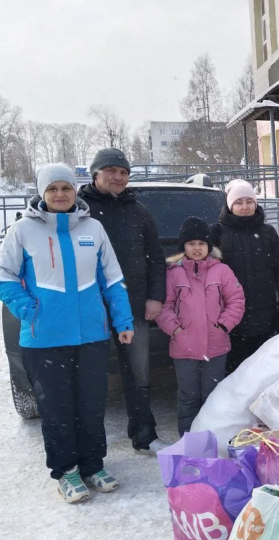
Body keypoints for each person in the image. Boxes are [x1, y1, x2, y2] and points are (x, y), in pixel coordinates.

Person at [0, 164, 135, 503]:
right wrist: (30, 310)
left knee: (90, 405)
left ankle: (92, 464)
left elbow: (112, 279)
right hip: (44, 339)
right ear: (42, 193)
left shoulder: (93, 229)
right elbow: (4, 276)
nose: (60, 194)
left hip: (91, 337)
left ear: (76, 191)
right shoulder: (24, 231)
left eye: (66, 188)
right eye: (53, 188)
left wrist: (123, 322)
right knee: (56, 409)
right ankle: (66, 471)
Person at [78, 148, 169, 455]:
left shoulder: (139, 211)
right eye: (111, 171)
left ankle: (144, 435)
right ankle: (87, 446)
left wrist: (156, 297)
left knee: (138, 373)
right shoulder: (79, 209)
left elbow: (156, 258)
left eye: (123, 172)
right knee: (90, 377)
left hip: (132, 307)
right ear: (95, 174)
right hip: (90, 309)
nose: (117, 177)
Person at [157, 217, 245, 435]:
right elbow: (164, 306)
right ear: (183, 246)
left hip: (216, 346)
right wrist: (175, 329)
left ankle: (212, 437)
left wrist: (223, 325)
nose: (197, 248)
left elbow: (236, 300)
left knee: (212, 394)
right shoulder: (173, 273)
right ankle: (189, 439)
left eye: (201, 244)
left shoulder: (221, 271)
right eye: (191, 243)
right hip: (183, 347)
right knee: (188, 395)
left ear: (209, 246)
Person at [209, 179, 279, 374]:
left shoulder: (268, 232)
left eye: (249, 201)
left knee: (263, 373)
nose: (245, 207)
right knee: (234, 374)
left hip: (266, 315)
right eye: (239, 202)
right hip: (231, 317)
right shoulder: (217, 232)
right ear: (230, 206)